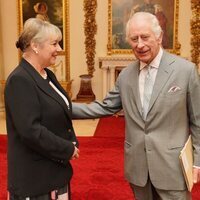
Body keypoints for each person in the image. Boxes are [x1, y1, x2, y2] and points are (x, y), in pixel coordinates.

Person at [72, 12, 200, 199]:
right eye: (134, 39)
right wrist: (61, 107)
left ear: (159, 36)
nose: (140, 44)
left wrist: (198, 161)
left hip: (173, 169)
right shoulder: (125, 75)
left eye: (145, 37)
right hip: (138, 169)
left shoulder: (185, 71)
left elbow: (198, 120)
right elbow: (105, 107)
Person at [4, 18, 79, 200]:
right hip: (35, 179)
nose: (59, 49)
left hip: (55, 171)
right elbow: (30, 131)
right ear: (35, 46)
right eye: (54, 43)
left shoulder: (48, 74)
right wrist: (67, 148)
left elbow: (60, 109)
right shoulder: (20, 80)